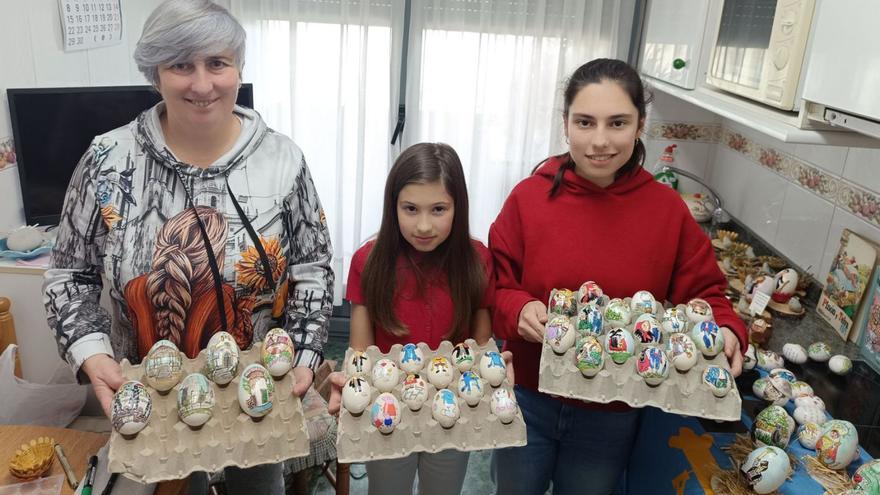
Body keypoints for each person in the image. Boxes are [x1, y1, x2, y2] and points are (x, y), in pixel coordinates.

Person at [42, 1, 334, 493]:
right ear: (155, 73)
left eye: (217, 63)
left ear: (238, 69)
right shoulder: (107, 161)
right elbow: (70, 276)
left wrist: (302, 355)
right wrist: (91, 355)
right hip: (150, 406)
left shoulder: (282, 161)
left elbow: (313, 269)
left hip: (256, 397)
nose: (202, 84)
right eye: (181, 65)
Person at [489, 58, 746, 495]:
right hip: (526, 398)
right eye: (585, 122)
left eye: (618, 123)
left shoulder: (665, 211)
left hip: (613, 410)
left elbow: (706, 294)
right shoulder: (529, 198)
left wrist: (726, 328)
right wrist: (519, 307)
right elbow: (494, 283)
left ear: (640, 125)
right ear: (565, 123)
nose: (600, 141)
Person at [329, 142, 495, 495]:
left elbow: (482, 347)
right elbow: (360, 352)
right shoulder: (368, 261)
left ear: (458, 207)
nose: (423, 225)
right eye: (410, 209)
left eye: (438, 209)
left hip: (453, 408)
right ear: (393, 208)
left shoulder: (476, 260)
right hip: (388, 408)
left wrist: (492, 377)